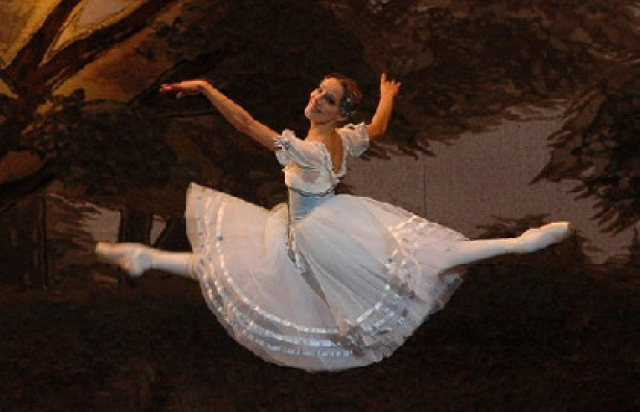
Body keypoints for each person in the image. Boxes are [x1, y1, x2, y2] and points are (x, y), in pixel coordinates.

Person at [96, 73, 572, 371]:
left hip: (314, 233)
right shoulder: (347, 138)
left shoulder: (311, 150)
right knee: (418, 256)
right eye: (318, 92)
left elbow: (244, 123)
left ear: (338, 112)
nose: (315, 100)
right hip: (329, 219)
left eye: (327, 100)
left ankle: (517, 245)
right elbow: (379, 128)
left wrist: (204, 89)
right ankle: (516, 244)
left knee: (246, 271)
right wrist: (387, 96)